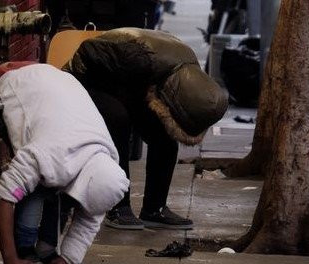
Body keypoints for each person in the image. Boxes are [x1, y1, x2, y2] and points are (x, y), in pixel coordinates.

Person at [64, 28, 229, 230]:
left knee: (164, 139)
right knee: (118, 122)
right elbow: (88, 51)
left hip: (130, 82)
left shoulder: (184, 68)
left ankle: (154, 209)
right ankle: (118, 207)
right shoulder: (140, 60)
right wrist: (125, 98)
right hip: (85, 76)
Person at [0, 61, 128, 264]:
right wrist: (10, 260)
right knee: (38, 186)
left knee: (58, 187)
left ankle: (45, 251)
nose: (78, 210)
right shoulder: (49, 155)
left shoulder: (106, 169)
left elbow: (89, 220)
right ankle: (25, 250)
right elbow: (4, 195)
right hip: (15, 82)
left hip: (54, 85)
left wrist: (67, 261)